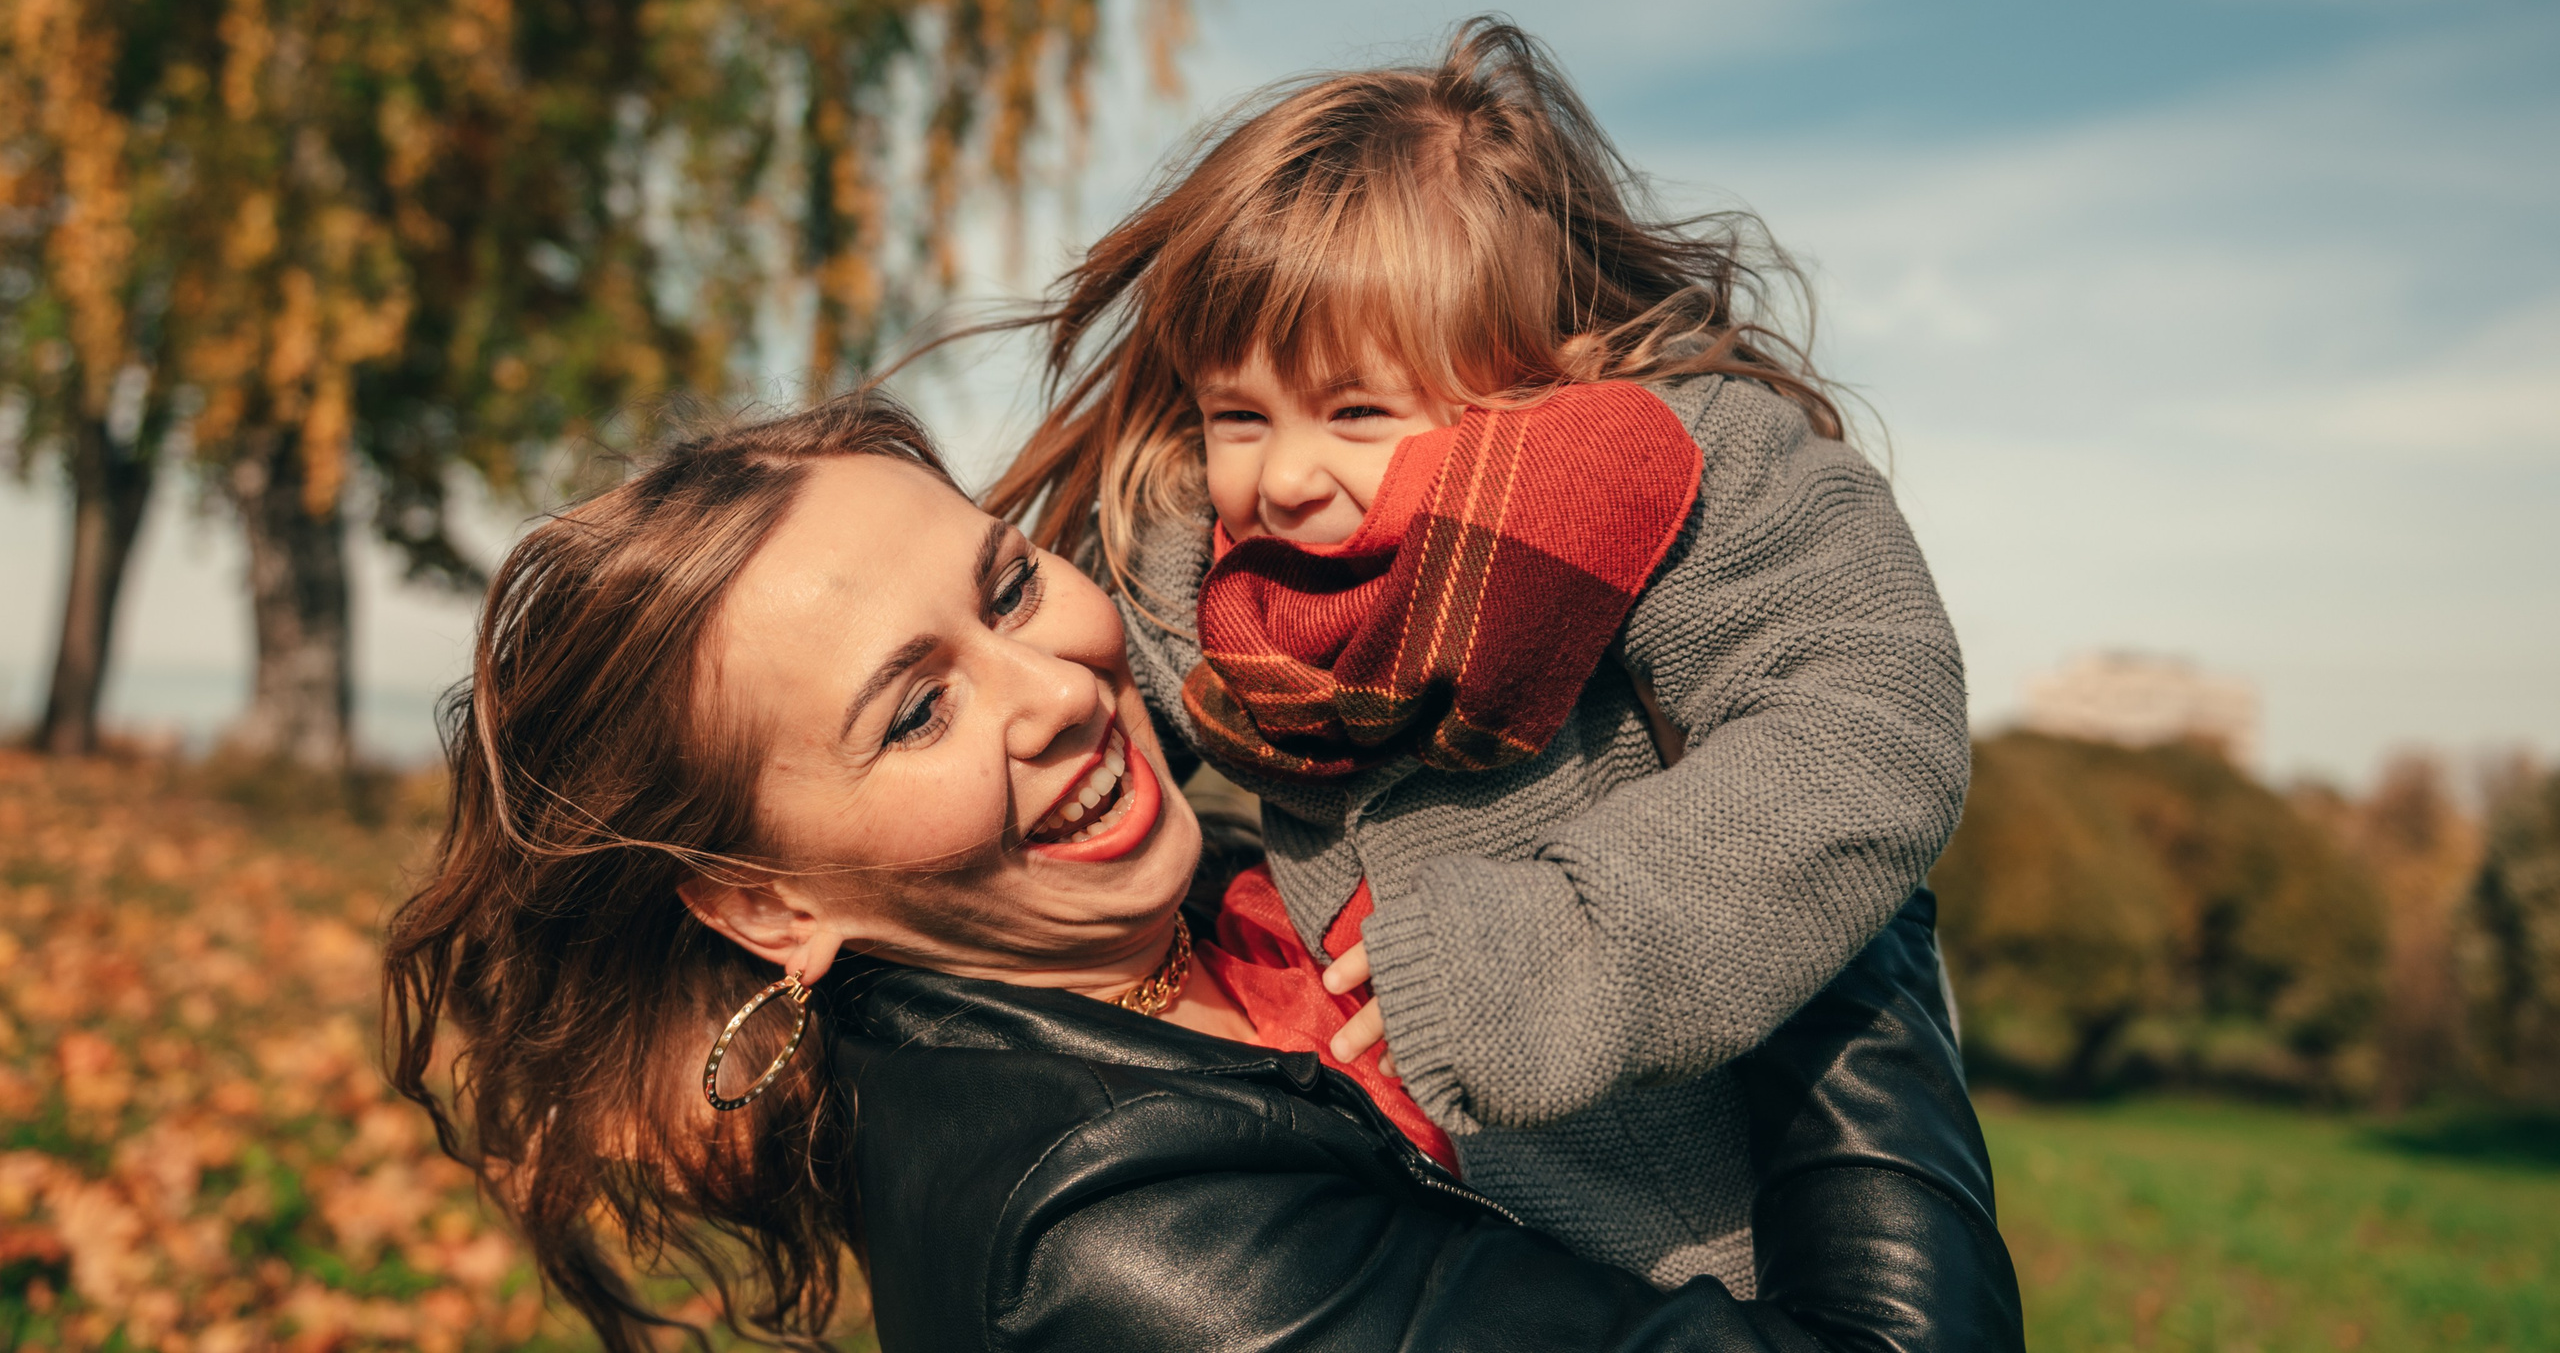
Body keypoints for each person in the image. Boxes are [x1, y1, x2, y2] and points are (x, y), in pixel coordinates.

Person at [382, 392, 2022, 1353]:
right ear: (765, 902)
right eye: (918, 709)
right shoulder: (1126, 1236)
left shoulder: (1221, 900)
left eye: (1012, 585)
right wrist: (1806, 825)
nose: (1057, 687)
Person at [986, 17, 1971, 1287]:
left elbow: (1863, 721)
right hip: (1421, 1244)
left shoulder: (1672, 482)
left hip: (1720, 1258)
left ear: (1535, 371)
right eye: (1240, 412)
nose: (1285, 476)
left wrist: (1566, 939)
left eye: (1356, 411)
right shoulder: (1208, 589)